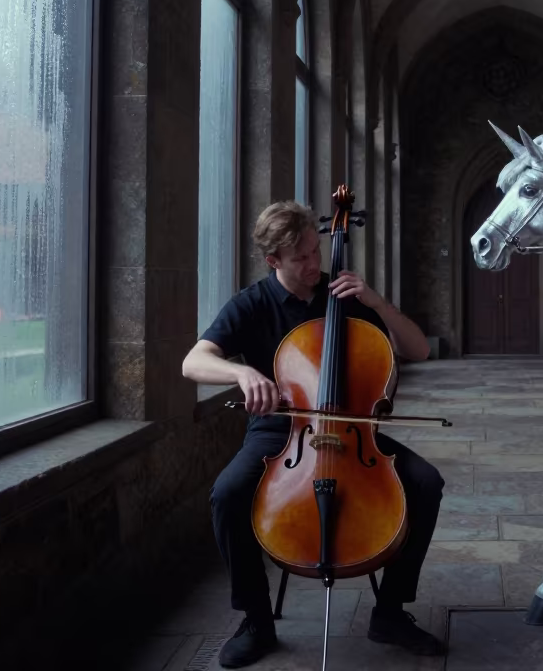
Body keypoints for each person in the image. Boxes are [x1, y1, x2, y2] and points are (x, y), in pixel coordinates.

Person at [182, 201, 445, 667]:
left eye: (314, 250)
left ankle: (389, 612)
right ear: (274, 261)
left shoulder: (345, 297)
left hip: (351, 427)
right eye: (300, 257)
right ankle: (256, 620)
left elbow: (419, 349)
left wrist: (377, 302)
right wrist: (242, 376)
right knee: (226, 495)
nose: (313, 264)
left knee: (426, 482)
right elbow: (193, 362)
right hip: (282, 434)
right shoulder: (252, 303)